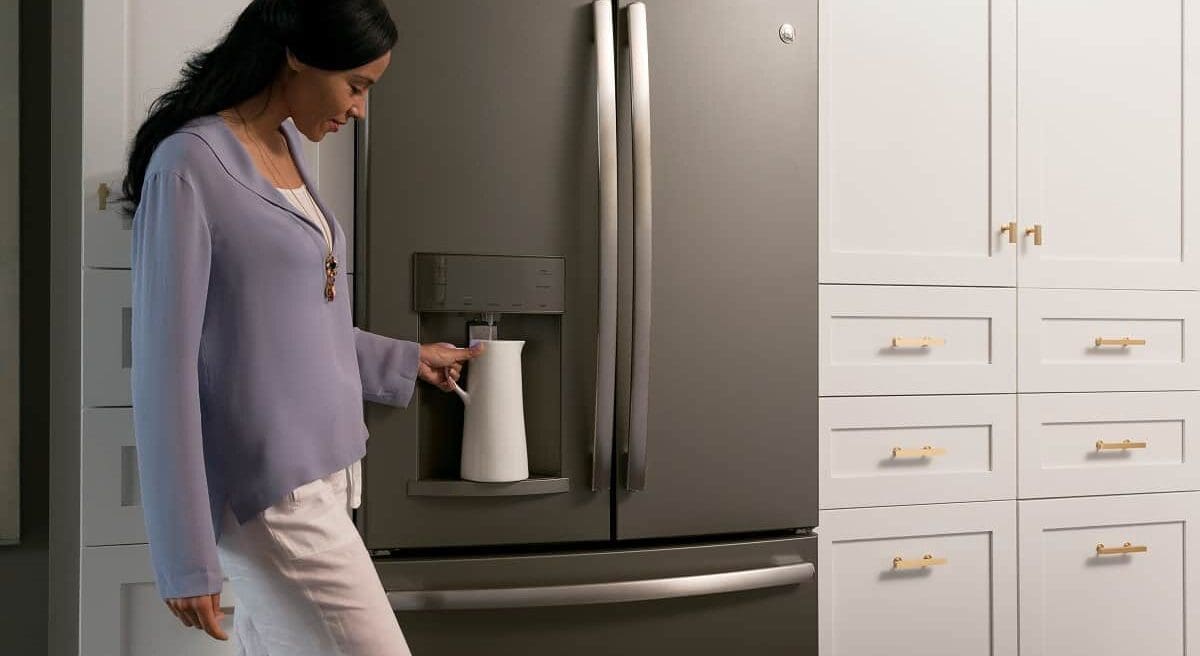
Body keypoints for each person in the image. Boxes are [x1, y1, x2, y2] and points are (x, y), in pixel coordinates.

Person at [122, 1, 480, 653]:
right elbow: (163, 368)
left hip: (329, 469)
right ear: (298, 56)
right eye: (357, 85)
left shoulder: (282, 146)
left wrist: (404, 360)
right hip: (270, 490)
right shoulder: (189, 163)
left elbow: (283, 329)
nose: (359, 108)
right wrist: (184, 553)